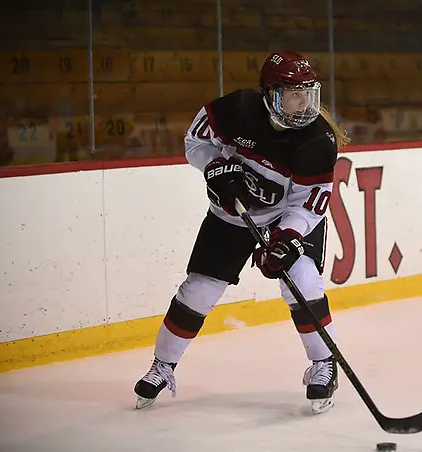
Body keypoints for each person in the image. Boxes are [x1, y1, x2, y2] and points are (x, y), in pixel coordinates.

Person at [133, 52, 350, 415]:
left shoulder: (316, 140)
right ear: (270, 93)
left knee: (304, 283)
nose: (303, 104)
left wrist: (287, 237)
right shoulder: (235, 110)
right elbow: (196, 141)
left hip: (287, 216)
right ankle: (162, 366)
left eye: (307, 94)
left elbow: (309, 202)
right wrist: (215, 165)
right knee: (198, 290)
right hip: (232, 214)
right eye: (293, 94)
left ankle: (324, 365)